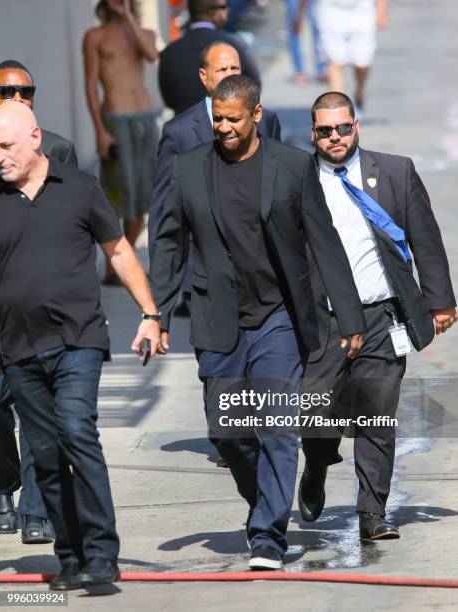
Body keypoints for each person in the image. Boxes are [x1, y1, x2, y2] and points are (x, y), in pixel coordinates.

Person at [149, 75, 366, 570]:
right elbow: (167, 245)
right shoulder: (188, 169)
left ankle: (268, 534)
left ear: (256, 114)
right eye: (217, 118)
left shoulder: (290, 166)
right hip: (217, 315)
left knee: (275, 425)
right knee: (226, 430)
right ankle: (261, 504)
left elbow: (324, 241)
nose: (223, 127)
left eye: (233, 118)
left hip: (278, 317)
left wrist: (348, 315)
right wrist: (154, 313)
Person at [0, 101, 162, 590]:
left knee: (76, 431)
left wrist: (150, 315)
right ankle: (69, 556)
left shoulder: (80, 189)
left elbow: (118, 251)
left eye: (5, 146)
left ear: (34, 138)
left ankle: (100, 552)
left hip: (78, 341)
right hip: (18, 349)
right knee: (45, 455)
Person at [298, 91, 457, 540]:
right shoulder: (298, 178)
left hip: (381, 318)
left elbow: (425, 237)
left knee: (376, 416)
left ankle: (372, 514)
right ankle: (316, 460)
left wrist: (440, 299)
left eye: (342, 128)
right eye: (325, 130)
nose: (334, 137)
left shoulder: (393, 171)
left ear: (356, 127)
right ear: (313, 133)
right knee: (314, 413)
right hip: (324, 322)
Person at [0, 59, 78, 545]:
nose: (17, 97)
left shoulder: (60, 150)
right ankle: (3, 484)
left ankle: (34, 506)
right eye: (6, 90)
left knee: (36, 406)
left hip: (44, 303)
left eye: (25, 89)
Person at [149, 42, 282, 318]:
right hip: (203, 272)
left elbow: (279, 192)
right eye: (222, 69)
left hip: (261, 268)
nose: (231, 74)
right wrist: (163, 286)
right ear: (203, 76)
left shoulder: (266, 119)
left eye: (236, 68)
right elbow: (163, 210)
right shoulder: (180, 132)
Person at [83, 0, 159, 285]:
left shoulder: (142, 32)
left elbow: (151, 54)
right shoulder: (95, 37)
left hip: (145, 120)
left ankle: (124, 261)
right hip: (115, 120)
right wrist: (100, 131)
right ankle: (113, 267)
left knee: (143, 195)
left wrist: (128, 16)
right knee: (116, 197)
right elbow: (90, 85)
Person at [158, 0, 261, 115]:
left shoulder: (170, 51)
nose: (228, 10)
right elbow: (254, 86)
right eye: (224, 7)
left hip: (184, 127)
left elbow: (169, 101)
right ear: (213, 13)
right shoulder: (234, 44)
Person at [315, 0, 388, 113]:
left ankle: (359, 91)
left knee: (362, 64)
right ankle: (340, 110)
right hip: (332, 10)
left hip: (362, 11)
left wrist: (381, 10)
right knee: (335, 62)